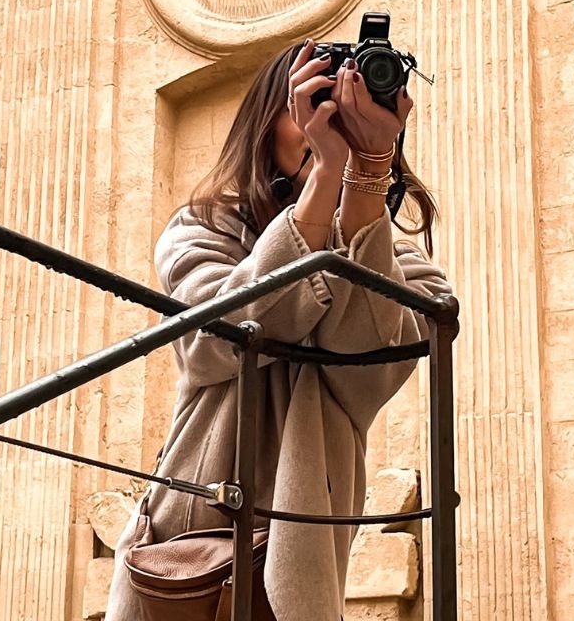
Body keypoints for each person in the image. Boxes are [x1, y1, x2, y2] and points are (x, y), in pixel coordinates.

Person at [105, 39, 451, 620]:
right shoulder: (203, 229)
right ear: (266, 123)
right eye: (315, 105)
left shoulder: (406, 270)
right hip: (189, 538)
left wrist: (366, 174)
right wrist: (327, 177)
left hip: (303, 537)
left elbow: (367, 368)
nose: (329, 125)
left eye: (347, 107)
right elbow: (209, 345)